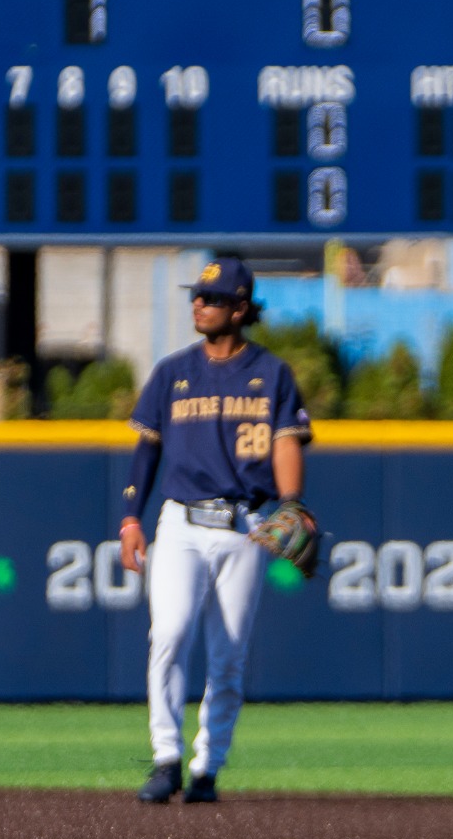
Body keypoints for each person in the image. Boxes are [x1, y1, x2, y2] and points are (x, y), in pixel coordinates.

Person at [119, 257, 312, 804]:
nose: (198, 305)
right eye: (197, 297)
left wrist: (291, 503)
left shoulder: (272, 373)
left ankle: (207, 767)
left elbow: (286, 441)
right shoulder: (172, 371)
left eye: (212, 299)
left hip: (243, 526)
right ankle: (165, 758)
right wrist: (131, 517)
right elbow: (146, 446)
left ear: (241, 308)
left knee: (228, 657)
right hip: (179, 522)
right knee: (169, 635)